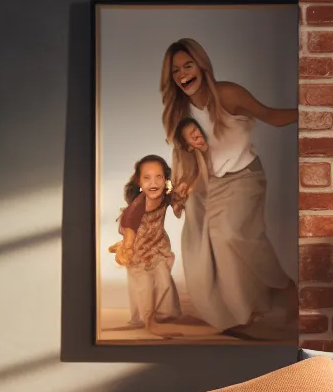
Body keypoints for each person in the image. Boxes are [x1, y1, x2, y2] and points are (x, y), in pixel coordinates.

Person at [160, 37, 295, 336]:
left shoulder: (228, 93)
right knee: (210, 247)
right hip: (208, 184)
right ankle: (242, 313)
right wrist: (181, 191)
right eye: (175, 71)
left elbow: (271, 116)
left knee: (231, 234)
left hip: (244, 175)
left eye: (187, 66)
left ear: (201, 64)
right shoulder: (178, 113)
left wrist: (310, 112)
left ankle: (286, 289)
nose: (182, 75)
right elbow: (185, 159)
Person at [108, 154, 182, 331]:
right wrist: (127, 248)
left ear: (166, 180)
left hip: (156, 243)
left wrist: (183, 196)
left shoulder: (167, 195)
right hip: (137, 245)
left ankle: (163, 313)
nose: (153, 182)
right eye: (147, 178)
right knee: (144, 284)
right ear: (139, 183)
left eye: (159, 177)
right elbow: (130, 229)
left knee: (163, 278)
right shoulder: (137, 207)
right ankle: (148, 320)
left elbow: (179, 208)